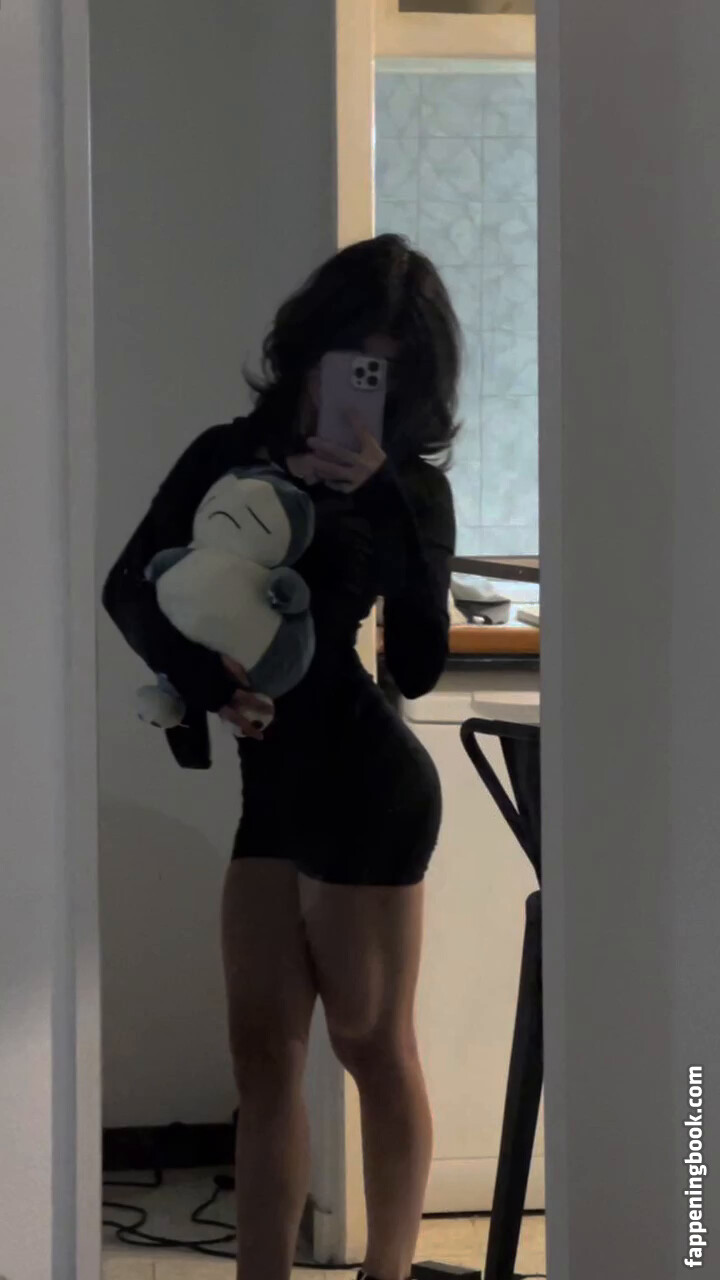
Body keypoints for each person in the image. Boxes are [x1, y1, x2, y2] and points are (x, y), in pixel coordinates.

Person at [103, 234, 460, 1280]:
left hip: (370, 787)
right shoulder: (228, 452)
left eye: (386, 368)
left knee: (371, 1046)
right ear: (308, 348)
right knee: (262, 1059)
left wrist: (385, 499)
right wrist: (210, 684)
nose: (360, 382)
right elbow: (129, 585)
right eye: (350, 356)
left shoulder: (410, 490)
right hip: (272, 787)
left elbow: (421, 665)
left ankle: (389, 1272)